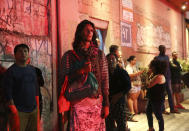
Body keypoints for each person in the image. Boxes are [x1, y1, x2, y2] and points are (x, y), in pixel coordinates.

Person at [59, 20, 109, 131]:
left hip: (96, 103)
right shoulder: (69, 56)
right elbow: (63, 81)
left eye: (92, 30)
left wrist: (106, 104)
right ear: (80, 32)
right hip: (78, 104)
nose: (90, 33)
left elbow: (105, 81)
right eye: (87, 30)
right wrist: (81, 71)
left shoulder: (99, 55)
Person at [2, 44, 39, 131]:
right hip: (19, 111)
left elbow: (36, 88)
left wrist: (36, 107)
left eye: (25, 51)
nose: (23, 53)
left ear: (28, 54)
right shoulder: (11, 71)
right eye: (20, 51)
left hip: (33, 110)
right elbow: (7, 92)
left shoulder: (32, 70)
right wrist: (14, 110)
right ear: (15, 55)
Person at [106, 45, 131, 131]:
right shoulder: (105, 74)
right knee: (109, 125)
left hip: (119, 102)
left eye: (113, 60)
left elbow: (128, 86)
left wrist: (118, 95)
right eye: (109, 60)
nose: (111, 61)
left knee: (121, 124)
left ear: (116, 61)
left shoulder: (121, 72)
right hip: (108, 103)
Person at [155, 45, 179, 114]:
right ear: (160, 50)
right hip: (161, 78)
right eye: (163, 49)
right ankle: (163, 109)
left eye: (164, 49)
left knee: (170, 94)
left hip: (168, 78)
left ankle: (172, 108)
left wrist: (170, 76)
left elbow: (168, 67)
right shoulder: (157, 58)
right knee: (162, 94)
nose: (164, 50)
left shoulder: (167, 57)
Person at [146, 59, 167, 131]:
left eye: (151, 66)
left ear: (155, 67)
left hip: (157, 99)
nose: (149, 66)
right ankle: (151, 128)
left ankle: (161, 129)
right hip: (152, 97)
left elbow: (148, 85)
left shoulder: (159, 76)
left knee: (158, 115)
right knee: (148, 112)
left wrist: (147, 75)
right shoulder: (154, 75)